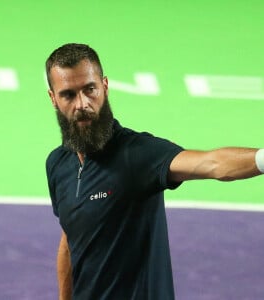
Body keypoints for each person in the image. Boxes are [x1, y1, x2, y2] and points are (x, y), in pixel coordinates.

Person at [45, 43, 264, 300]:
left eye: (89, 89)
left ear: (104, 86)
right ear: (53, 99)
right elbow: (71, 240)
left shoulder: (138, 155)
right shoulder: (58, 165)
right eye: (69, 95)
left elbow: (213, 164)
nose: (82, 103)